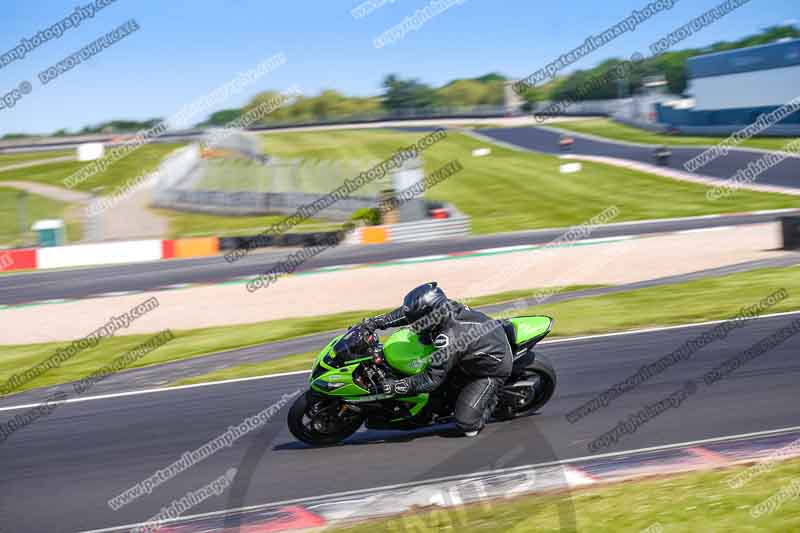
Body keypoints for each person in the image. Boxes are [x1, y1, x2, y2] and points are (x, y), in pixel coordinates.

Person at [362, 282, 513, 436]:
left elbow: (430, 379)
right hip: (475, 347)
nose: (413, 325)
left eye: (417, 322)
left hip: (491, 368)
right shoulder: (442, 309)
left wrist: (397, 386)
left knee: (467, 426)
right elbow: (408, 313)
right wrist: (375, 322)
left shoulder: (449, 338)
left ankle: (493, 399)